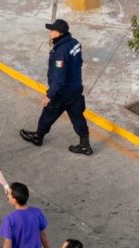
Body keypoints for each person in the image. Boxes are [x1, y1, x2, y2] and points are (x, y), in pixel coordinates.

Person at [20, 19, 92, 156]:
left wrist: (49, 96)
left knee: (48, 114)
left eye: (51, 30)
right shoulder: (75, 43)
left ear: (59, 33)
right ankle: (85, 145)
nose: (49, 32)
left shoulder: (60, 52)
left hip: (62, 93)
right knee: (77, 116)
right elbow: (79, 62)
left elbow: (58, 79)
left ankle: (38, 137)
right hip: (75, 89)